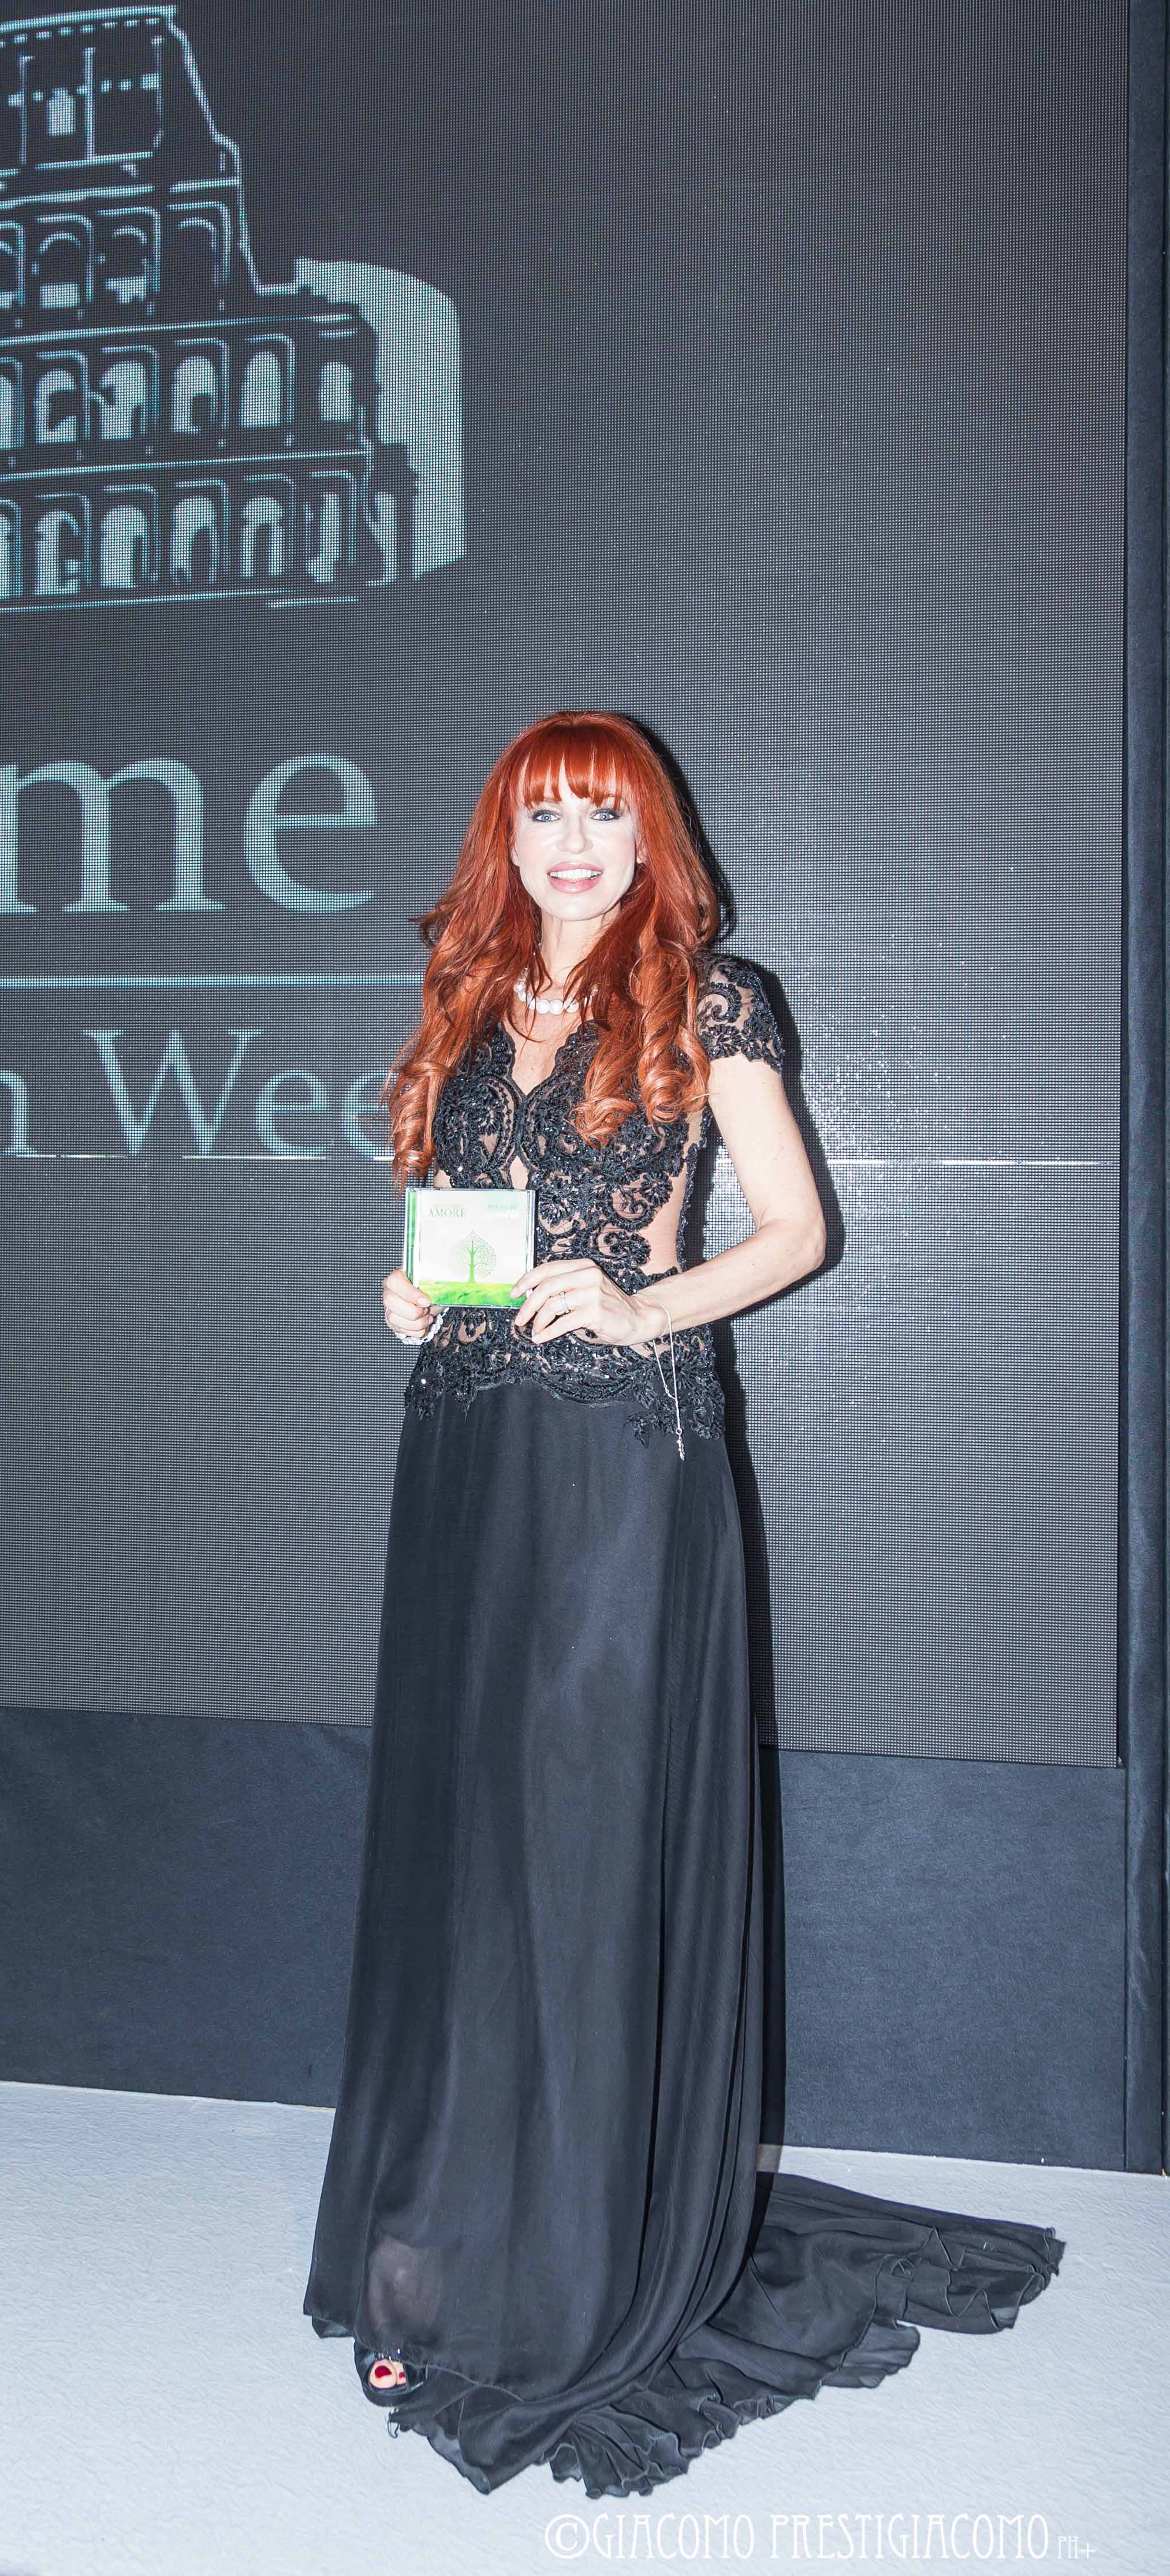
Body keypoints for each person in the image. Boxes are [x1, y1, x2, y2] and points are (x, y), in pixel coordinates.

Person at [301, 709, 1061, 2499]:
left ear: (652, 840)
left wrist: (648, 1305)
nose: (572, 844)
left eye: (604, 815)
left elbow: (798, 1230)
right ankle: (456, 2215)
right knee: (473, 1841)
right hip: (467, 1443)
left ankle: (570, 2260)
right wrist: (412, 1289)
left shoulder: (711, 1000)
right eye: (544, 815)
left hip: (617, 1463)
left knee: (578, 1846)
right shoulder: (465, 992)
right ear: (505, 837)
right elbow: (450, 1211)